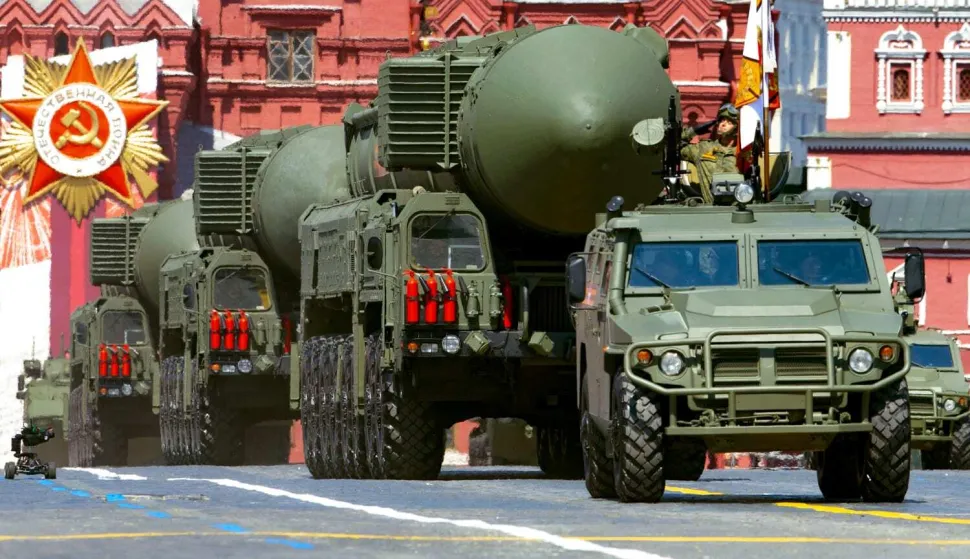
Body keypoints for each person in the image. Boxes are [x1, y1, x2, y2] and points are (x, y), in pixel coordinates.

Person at [680, 103, 741, 203]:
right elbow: (675, 148)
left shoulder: (744, 152)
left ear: (737, 128)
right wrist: (693, 131)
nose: (723, 124)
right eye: (721, 120)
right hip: (711, 210)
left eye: (729, 122)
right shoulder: (703, 148)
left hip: (740, 209)